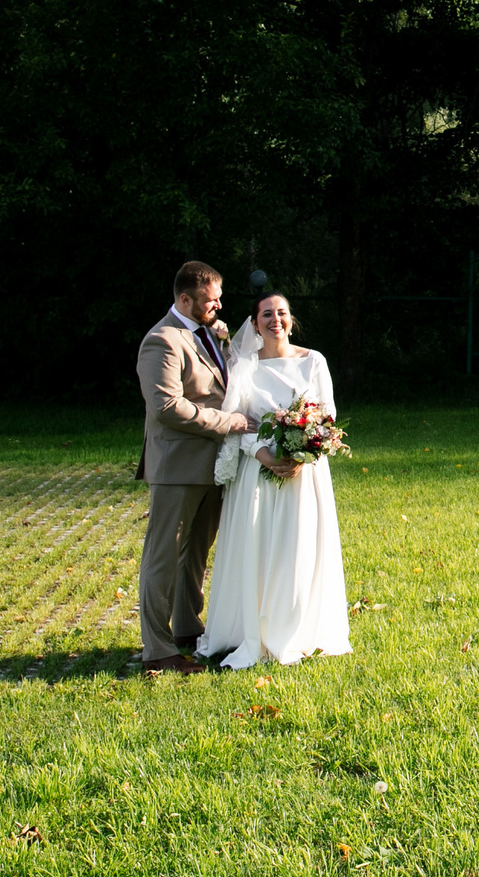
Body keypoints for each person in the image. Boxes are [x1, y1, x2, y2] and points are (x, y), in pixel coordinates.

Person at [199, 291, 352, 668]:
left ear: (291, 318)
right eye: (266, 314)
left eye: (281, 312)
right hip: (257, 472)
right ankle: (248, 628)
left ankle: (296, 627)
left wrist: (303, 453)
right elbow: (237, 422)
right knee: (257, 547)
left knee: (296, 547)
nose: (275, 320)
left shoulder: (313, 361)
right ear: (254, 324)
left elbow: (327, 416)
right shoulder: (245, 367)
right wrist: (264, 454)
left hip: (305, 475)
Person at [134, 260, 253, 676]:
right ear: (184, 298)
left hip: (214, 466)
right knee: (162, 556)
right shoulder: (162, 340)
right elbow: (166, 406)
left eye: (219, 298)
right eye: (210, 300)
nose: (218, 306)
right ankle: (157, 649)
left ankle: (186, 628)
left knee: (195, 554)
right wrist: (229, 423)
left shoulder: (210, 334)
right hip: (177, 465)